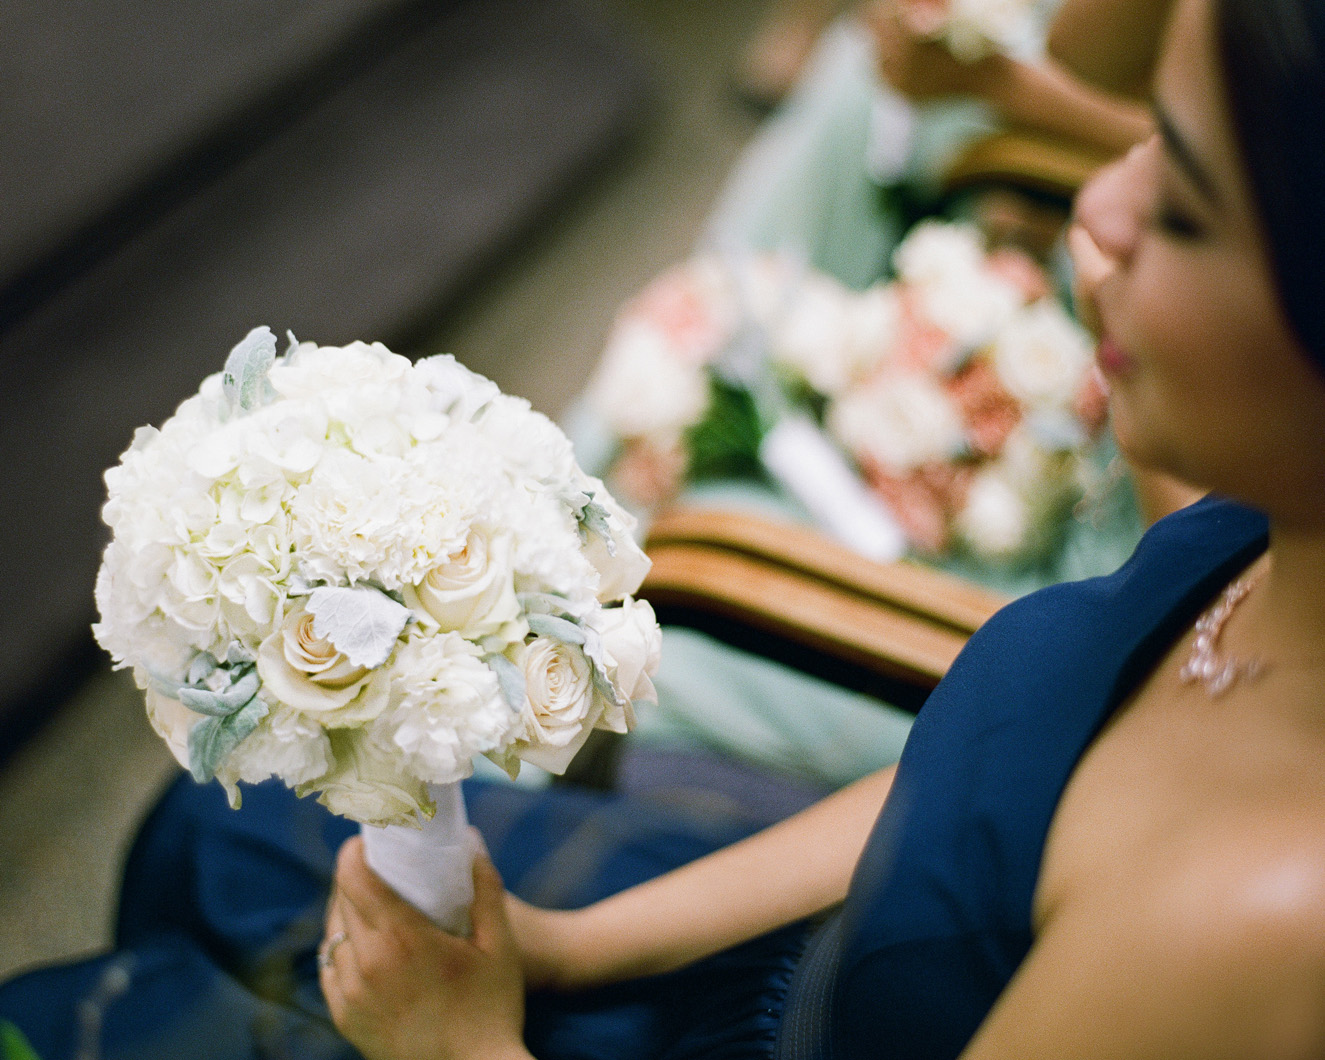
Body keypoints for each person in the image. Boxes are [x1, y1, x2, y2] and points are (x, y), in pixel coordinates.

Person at [3, 0, 1324, 1057]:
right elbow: (1000, 777)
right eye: (1137, 135)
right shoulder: (1256, 528)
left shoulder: (1245, 930)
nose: (1093, 210)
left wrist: (460, 1048)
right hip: (811, 944)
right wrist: (589, 942)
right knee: (219, 831)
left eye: (1187, 208)